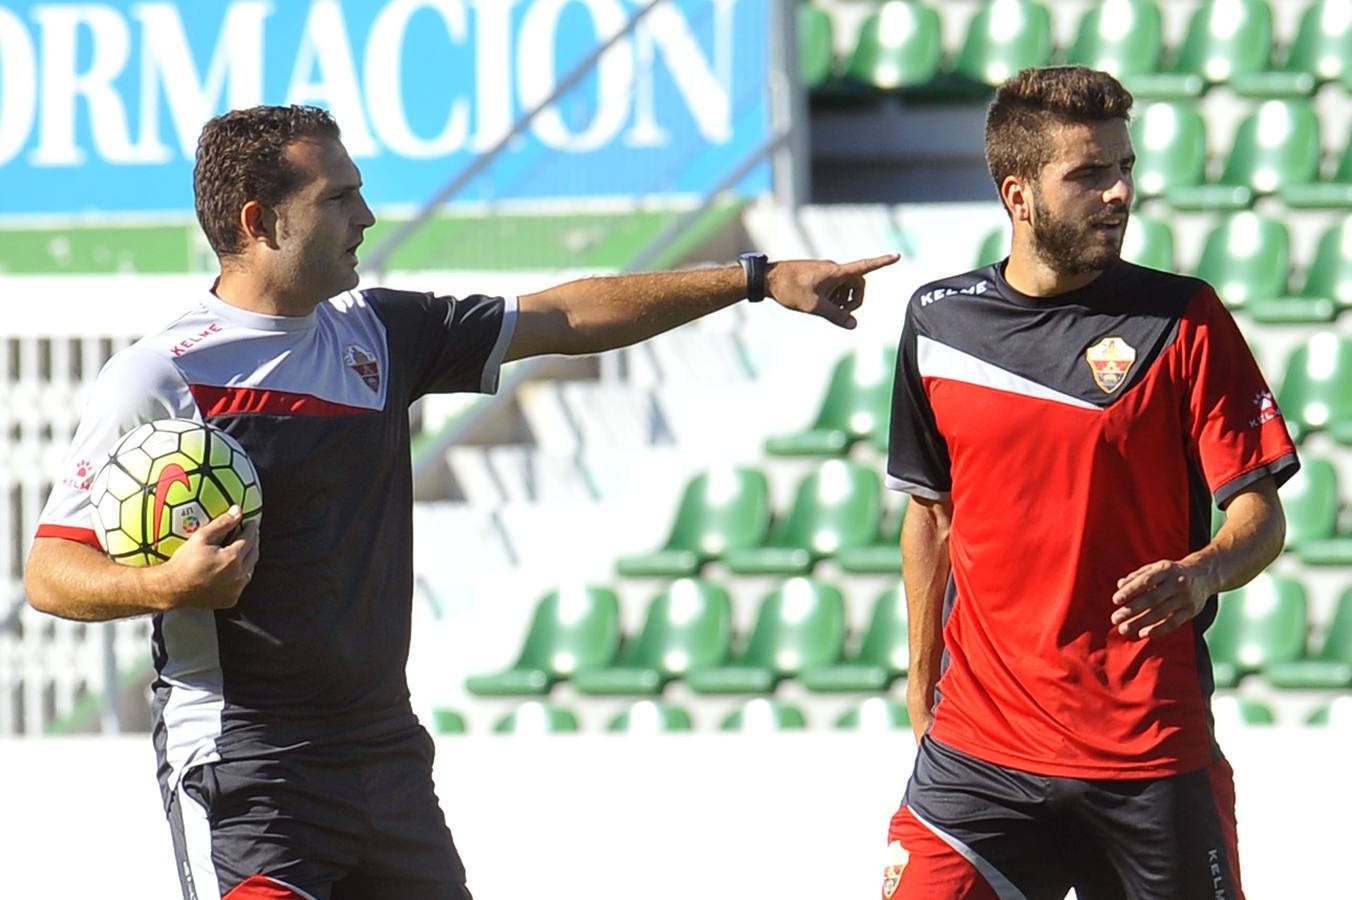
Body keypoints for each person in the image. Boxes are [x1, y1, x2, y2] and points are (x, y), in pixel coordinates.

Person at [24, 104, 897, 900]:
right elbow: (51, 573)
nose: (366, 218)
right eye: (340, 199)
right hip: (250, 769)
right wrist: (164, 586)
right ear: (260, 222)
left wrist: (754, 278)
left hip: (385, 759)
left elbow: (565, 316)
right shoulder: (160, 375)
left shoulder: (379, 333)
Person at [882, 66, 1296, 899]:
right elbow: (932, 517)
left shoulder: (1184, 320)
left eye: (1125, 168)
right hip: (979, 759)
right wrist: (922, 688)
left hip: (1148, 753)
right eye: (1088, 174)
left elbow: (1261, 512)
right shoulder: (939, 322)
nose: (1117, 194)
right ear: (1018, 194)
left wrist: (1203, 569)